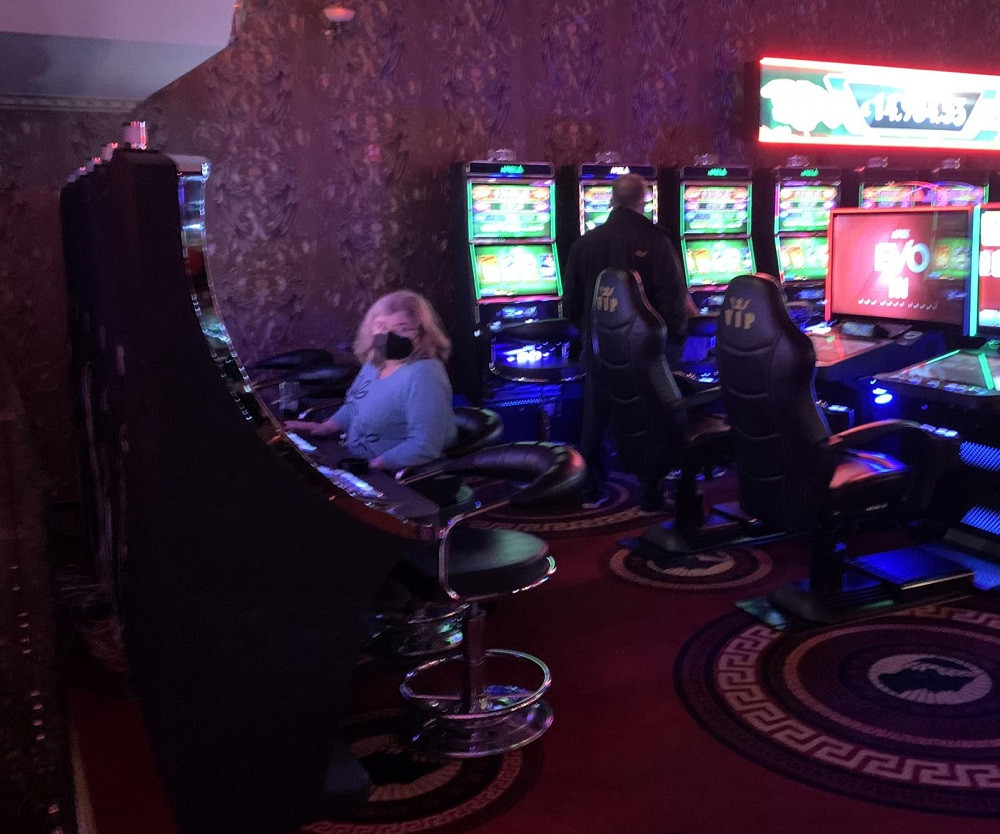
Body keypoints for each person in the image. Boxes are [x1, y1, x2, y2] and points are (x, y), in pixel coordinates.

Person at [562, 173, 697, 512]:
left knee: (596, 419)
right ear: (644, 199)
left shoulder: (585, 243)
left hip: (600, 348)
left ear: (612, 199)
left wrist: (592, 335)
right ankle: (651, 494)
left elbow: (571, 305)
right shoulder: (656, 240)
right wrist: (675, 344)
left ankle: (591, 490)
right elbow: (673, 299)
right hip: (647, 352)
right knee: (652, 419)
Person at [284, 290, 457, 472]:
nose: (389, 335)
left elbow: (424, 445)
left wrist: (370, 467)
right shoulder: (375, 363)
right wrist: (325, 427)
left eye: (402, 329)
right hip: (359, 462)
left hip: (395, 476)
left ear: (422, 333)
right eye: (381, 326)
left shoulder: (425, 374)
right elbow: (354, 406)